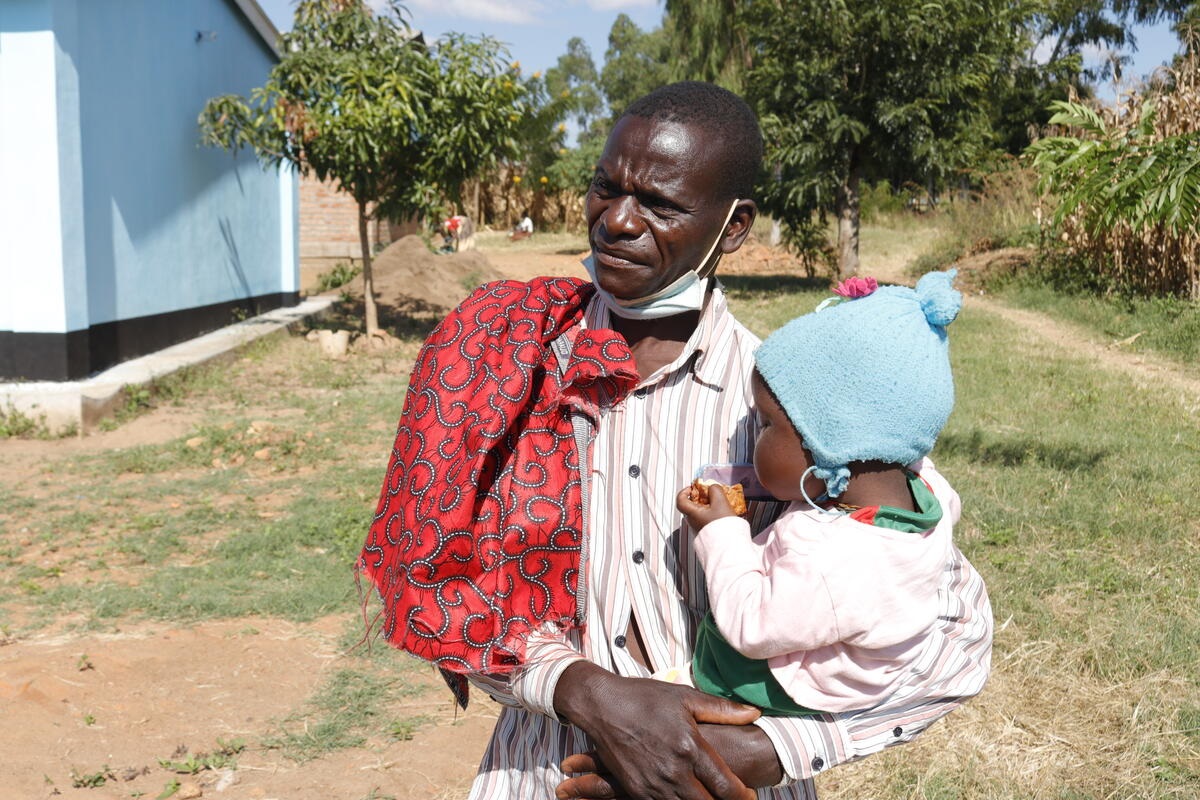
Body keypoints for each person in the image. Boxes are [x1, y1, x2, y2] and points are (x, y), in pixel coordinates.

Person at [358, 82, 992, 800]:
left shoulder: (797, 413)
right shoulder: (505, 363)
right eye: (606, 188)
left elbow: (954, 638)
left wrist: (774, 749)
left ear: (735, 225)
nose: (616, 221)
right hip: (548, 771)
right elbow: (433, 573)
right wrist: (583, 690)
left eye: (659, 204)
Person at [671, 271, 975, 723]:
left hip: (772, 684)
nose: (752, 434)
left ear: (832, 444)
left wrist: (720, 531)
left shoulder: (833, 559)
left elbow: (751, 625)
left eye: (766, 424)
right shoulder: (927, 491)